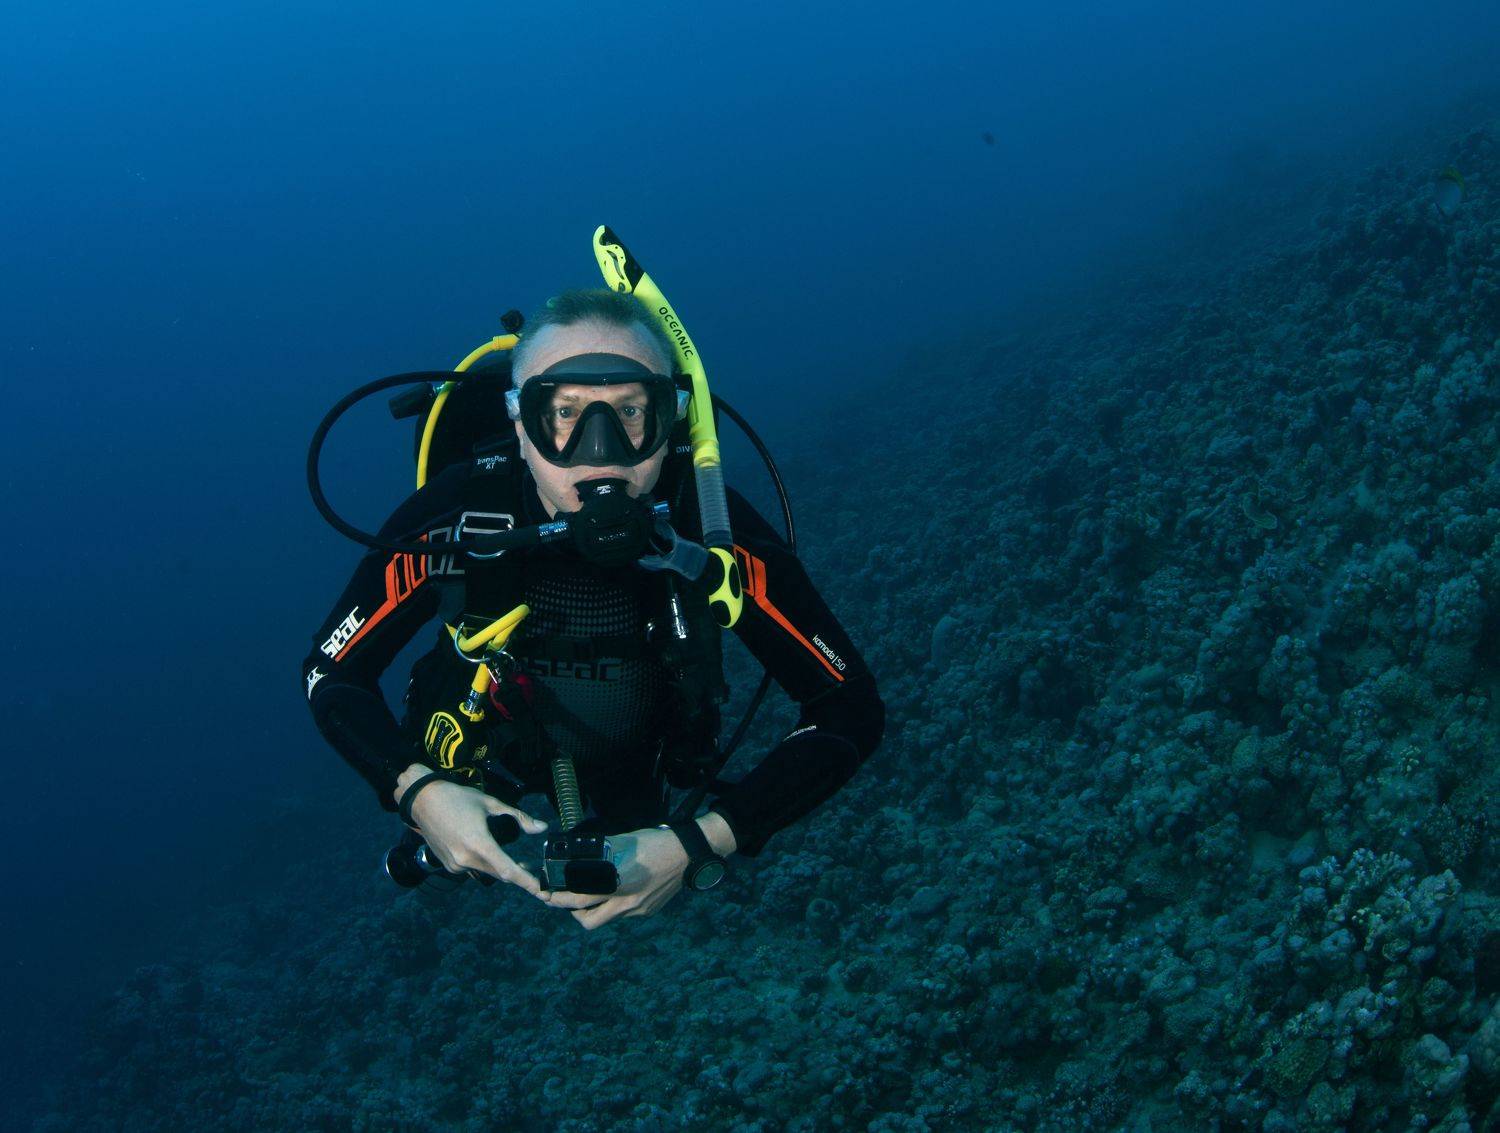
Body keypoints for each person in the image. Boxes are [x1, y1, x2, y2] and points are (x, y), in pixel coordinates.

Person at [301, 288, 883, 929]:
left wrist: (701, 840)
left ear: (672, 420)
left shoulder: (707, 531)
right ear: (520, 425)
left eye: (630, 411)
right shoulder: (458, 520)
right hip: (480, 745)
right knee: (445, 846)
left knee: (633, 842)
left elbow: (848, 705)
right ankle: (432, 845)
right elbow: (331, 673)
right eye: (565, 412)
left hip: (638, 754)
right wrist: (418, 791)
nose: (598, 451)